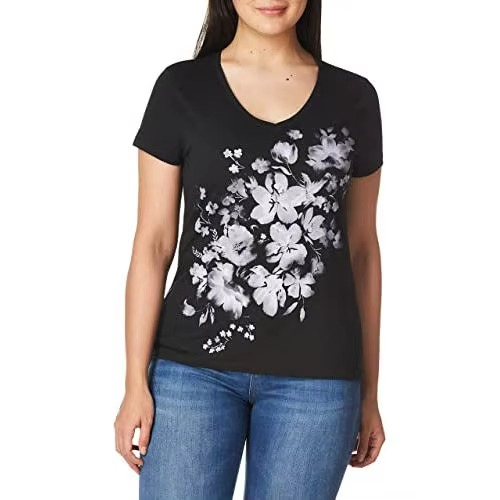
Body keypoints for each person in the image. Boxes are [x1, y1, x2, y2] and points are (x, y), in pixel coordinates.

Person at [114, 1, 386, 498]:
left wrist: (370, 392)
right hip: (191, 373)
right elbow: (153, 243)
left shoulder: (354, 99)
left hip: (318, 381)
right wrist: (135, 382)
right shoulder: (181, 89)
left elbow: (363, 252)